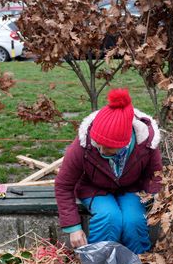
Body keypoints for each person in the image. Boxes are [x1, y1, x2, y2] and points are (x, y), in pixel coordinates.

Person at [55, 88, 162, 253]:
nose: (101, 150)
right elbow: (64, 185)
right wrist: (73, 227)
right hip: (93, 188)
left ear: (126, 141)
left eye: (109, 148)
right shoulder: (83, 145)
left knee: (133, 221)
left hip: (131, 188)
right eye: (98, 144)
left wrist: (154, 200)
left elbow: (155, 177)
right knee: (109, 217)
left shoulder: (146, 144)